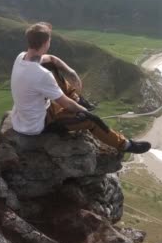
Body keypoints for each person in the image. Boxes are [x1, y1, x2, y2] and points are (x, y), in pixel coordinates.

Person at [9, 22, 151, 154]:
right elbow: (67, 104)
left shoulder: (21, 57)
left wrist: (71, 72)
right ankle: (125, 145)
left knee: (50, 66)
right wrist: (86, 113)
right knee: (92, 121)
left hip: (23, 117)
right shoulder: (42, 75)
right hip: (37, 125)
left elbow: (51, 59)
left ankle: (78, 99)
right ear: (46, 42)